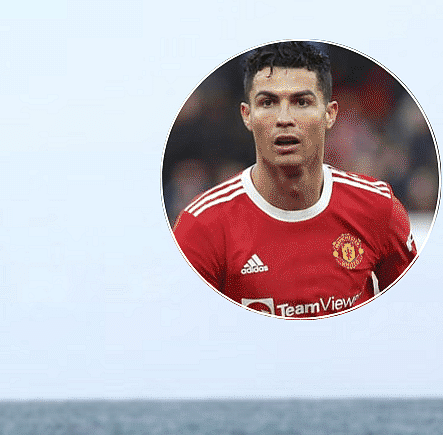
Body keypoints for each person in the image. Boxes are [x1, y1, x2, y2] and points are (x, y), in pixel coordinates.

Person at [172, 41, 417, 317]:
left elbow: (412, 320)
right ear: (247, 115)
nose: (284, 118)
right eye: (268, 102)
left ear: (330, 114)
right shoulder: (202, 226)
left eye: (302, 102)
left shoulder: (378, 207)